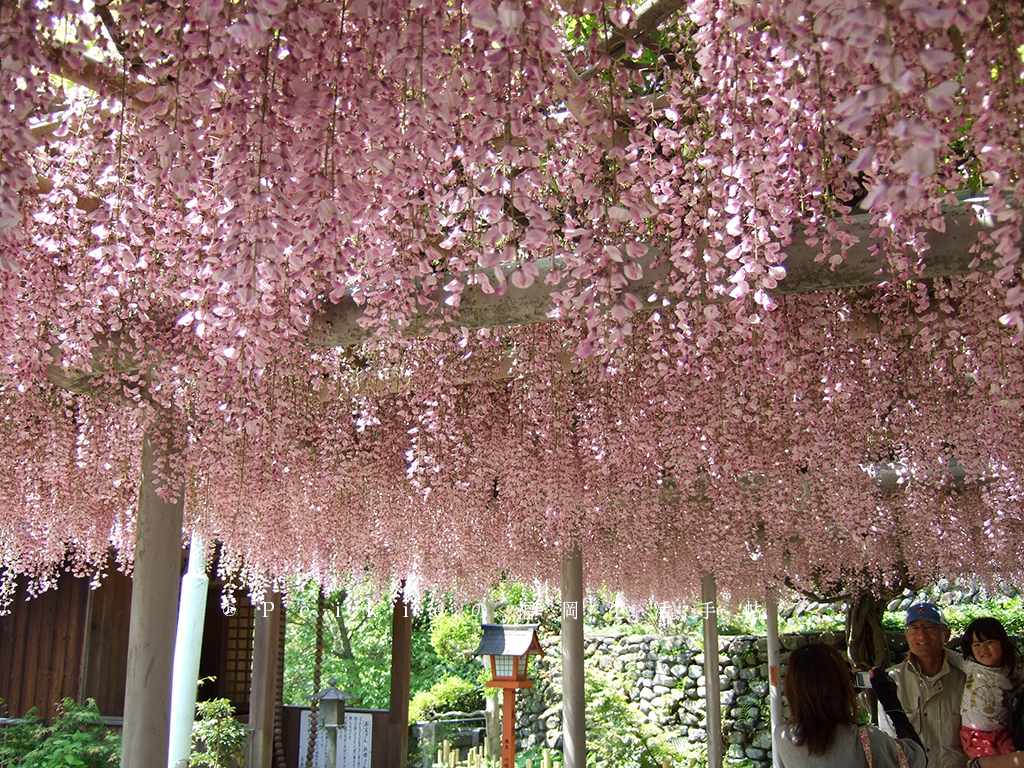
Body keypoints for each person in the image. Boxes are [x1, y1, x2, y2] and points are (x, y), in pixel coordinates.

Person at [775, 642, 926, 767]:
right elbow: (918, 758)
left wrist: (844, 692)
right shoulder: (866, 740)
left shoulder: (784, 736)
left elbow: (815, 711)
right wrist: (890, 702)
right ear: (839, 686)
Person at [880, 601, 968, 768]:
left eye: (929, 627)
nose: (921, 635)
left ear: (946, 635)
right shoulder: (892, 680)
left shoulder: (964, 679)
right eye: (914, 628)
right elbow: (888, 741)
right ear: (906, 635)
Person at [943, 616, 1021, 759]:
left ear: (1002, 642)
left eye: (990, 642)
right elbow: (943, 652)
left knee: (1013, 761)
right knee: (989, 763)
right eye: (977, 644)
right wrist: (914, 655)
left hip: (1004, 733)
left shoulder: (1014, 670)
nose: (983, 649)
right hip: (975, 735)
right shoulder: (970, 665)